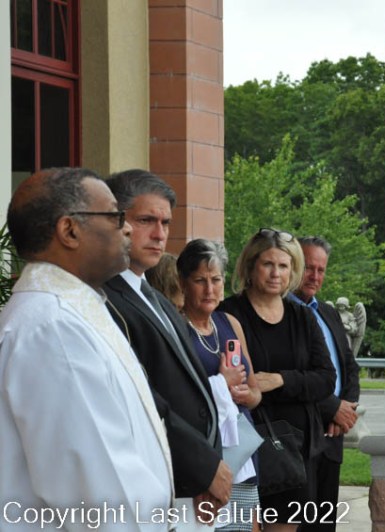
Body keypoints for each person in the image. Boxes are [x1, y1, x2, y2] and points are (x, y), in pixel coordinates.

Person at [0, 168, 172, 530]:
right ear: (70, 230)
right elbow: (102, 495)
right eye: (115, 216)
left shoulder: (69, 312)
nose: (127, 229)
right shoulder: (53, 329)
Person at [103, 169, 232, 528]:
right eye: (146, 220)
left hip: (190, 482)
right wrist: (203, 467)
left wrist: (209, 468)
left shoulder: (156, 299)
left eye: (165, 223)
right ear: (115, 221)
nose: (160, 234)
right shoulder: (105, 299)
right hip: (154, 479)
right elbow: (143, 397)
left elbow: (193, 388)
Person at [218, 228, 336, 531]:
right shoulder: (228, 314)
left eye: (283, 266)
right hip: (245, 447)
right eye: (268, 264)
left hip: (294, 454)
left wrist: (280, 380)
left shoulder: (302, 317)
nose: (276, 273)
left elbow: (326, 378)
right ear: (250, 267)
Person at [177, 239, 264, 531]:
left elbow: (256, 393)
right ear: (183, 283)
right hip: (203, 458)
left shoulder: (229, 323)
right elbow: (176, 396)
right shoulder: (176, 328)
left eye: (215, 280)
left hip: (241, 455)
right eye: (200, 280)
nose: (209, 289)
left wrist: (244, 394)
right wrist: (221, 383)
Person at [288, 236, 360, 531]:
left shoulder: (328, 313)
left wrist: (346, 409)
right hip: (302, 436)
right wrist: (332, 408)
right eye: (309, 268)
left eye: (321, 270)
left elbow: (350, 366)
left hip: (333, 435)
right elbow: (292, 373)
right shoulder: (281, 314)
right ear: (294, 265)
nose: (315, 276)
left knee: (324, 524)